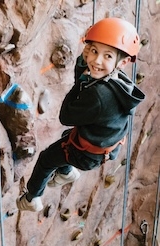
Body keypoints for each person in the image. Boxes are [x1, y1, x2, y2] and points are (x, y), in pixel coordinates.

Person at [16, 17, 146, 212]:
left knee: (46, 159)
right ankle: (67, 172)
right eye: (93, 51)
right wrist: (82, 65)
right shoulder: (121, 82)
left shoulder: (99, 96)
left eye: (107, 56)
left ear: (123, 61)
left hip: (86, 154)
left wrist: (79, 82)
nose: (96, 61)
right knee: (64, 139)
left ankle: (31, 198)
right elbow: (88, 80)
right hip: (103, 146)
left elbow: (66, 116)